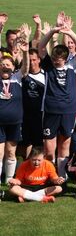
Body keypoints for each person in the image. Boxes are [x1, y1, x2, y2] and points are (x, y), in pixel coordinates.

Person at [38, 20, 76, 178]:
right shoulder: (48, 65)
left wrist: (70, 32)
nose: (54, 60)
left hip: (69, 110)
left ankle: (62, 177)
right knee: (48, 148)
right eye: (53, 58)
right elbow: (40, 47)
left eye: (57, 59)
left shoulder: (72, 64)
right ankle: (49, 177)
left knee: (64, 146)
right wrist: (53, 31)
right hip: (50, 109)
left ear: (65, 59)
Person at [0, 42, 29, 183]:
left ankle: (9, 180)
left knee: (11, 152)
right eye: (3, 64)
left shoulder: (17, 78)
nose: (5, 66)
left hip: (15, 122)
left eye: (8, 64)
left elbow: (26, 67)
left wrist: (25, 52)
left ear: (13, 67)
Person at [19, 49, 45, 160]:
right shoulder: (21, 75)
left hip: (40, 115)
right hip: (24, 115)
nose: (32, 62)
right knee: (26, 143)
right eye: (29, 60)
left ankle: (40, 168)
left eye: (34, 59)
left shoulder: (45, 75)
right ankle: (26, 167)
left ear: (39, 60)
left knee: (39, 143)